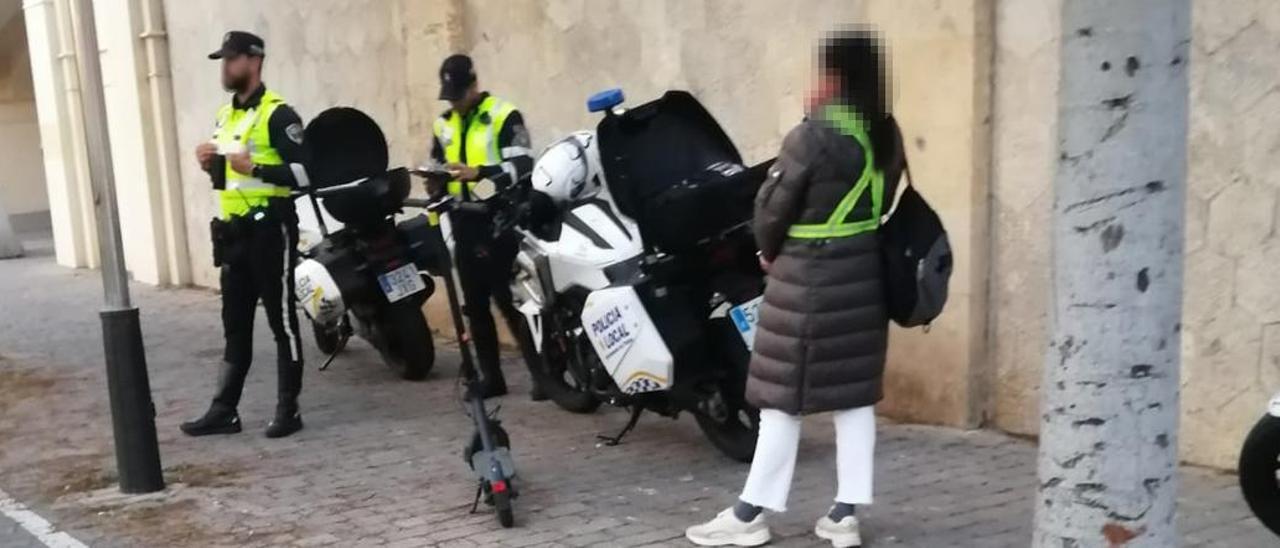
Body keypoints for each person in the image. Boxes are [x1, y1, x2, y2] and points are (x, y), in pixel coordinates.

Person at [686, 29, 904, 548]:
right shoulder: (886, 133)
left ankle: (748, 516)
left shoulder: (811, 136)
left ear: (835, 77)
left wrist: (765, 248)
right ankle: (844, 516)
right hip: (862, 282)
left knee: (780, 399)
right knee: (854, 400)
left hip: (807, 282)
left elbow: (771, 210)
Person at [181, 31, 311, 439]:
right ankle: (224, 410)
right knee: (235, 325)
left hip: (271, 231)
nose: (225, 67)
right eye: (223, 59)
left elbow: (307, 175)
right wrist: (209, 164)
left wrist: (256, 169)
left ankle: (288, 410)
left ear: (254, 61)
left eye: (232, 59)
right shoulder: (227, 116)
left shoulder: (279, 115)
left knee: (282, 323)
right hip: (234, 236)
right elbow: (228, 179)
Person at [425, 54, 544, 400]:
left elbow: (523, 164)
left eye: (459, 95)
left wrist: (479, 172)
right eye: (450, 97)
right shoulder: (443, 124)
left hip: (498, 218)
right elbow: (438, 162)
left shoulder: (503, 115)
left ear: (474, 85)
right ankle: (491, 377)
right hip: (463, 219)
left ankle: (543, 375)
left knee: (510, 300)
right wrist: (435, 181)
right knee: (475, 304)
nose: (455, 103)